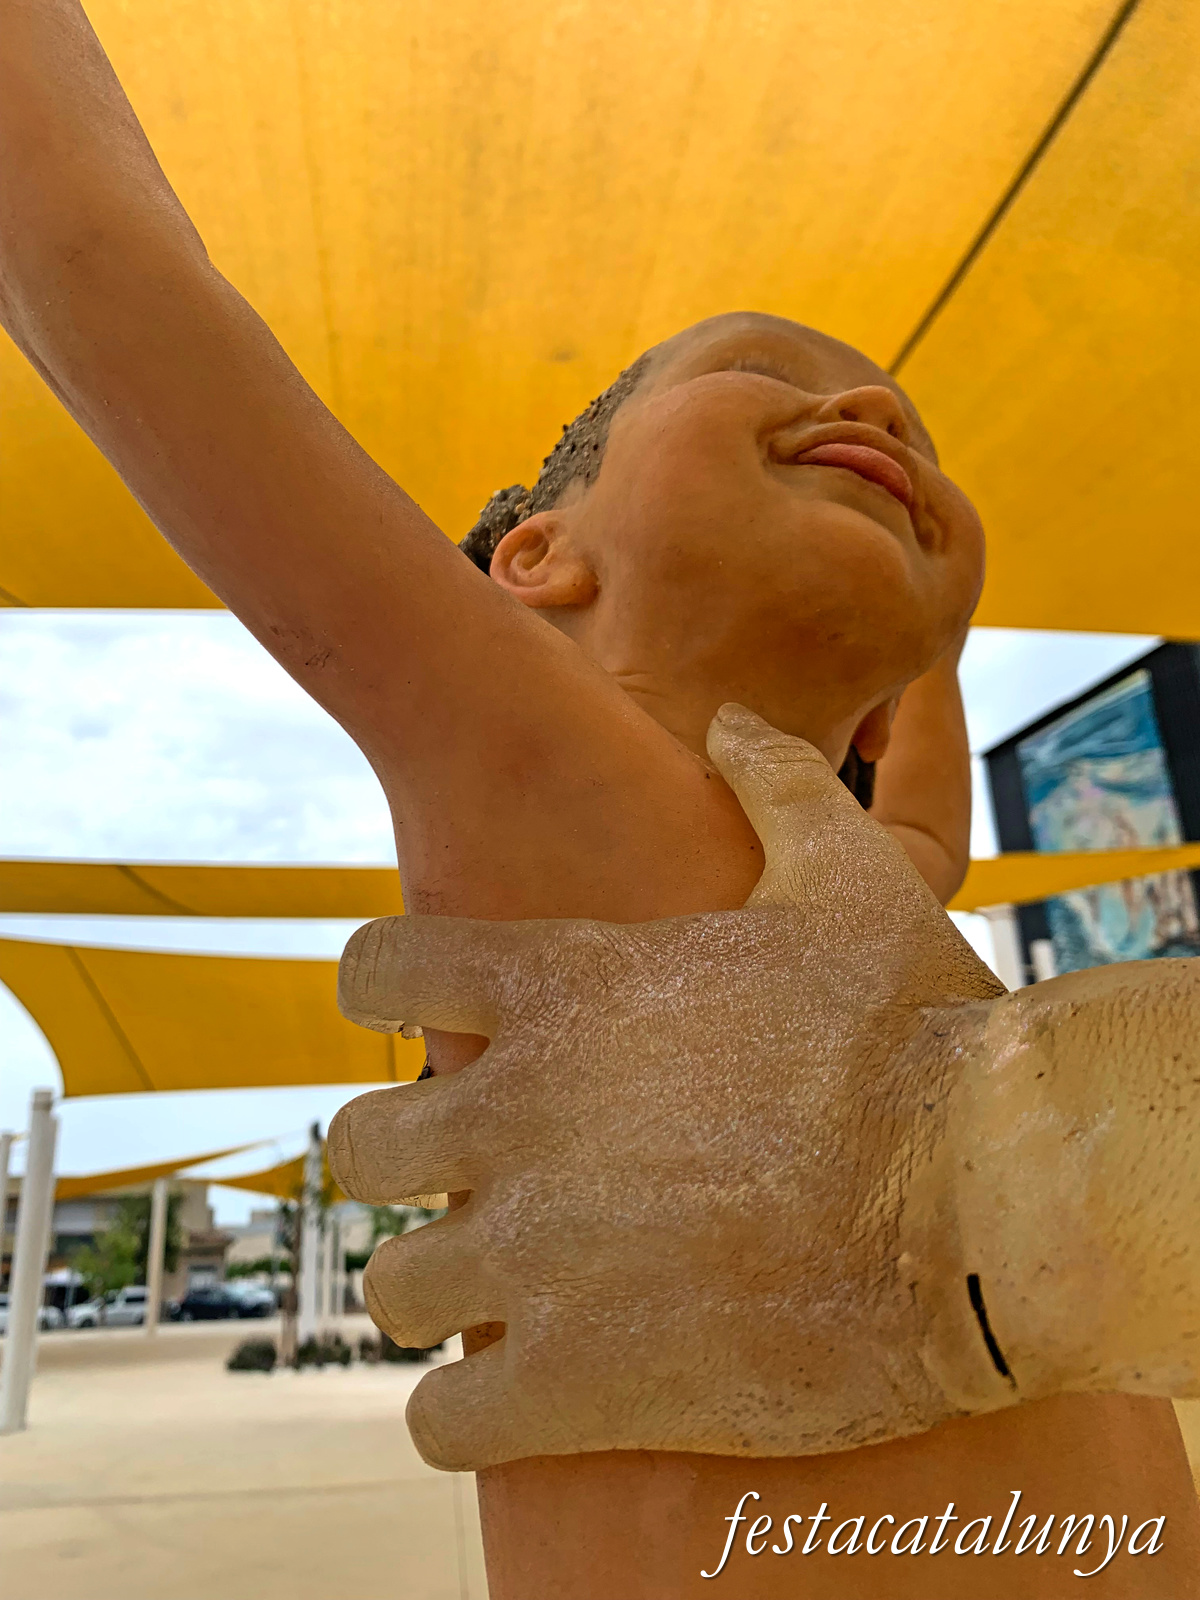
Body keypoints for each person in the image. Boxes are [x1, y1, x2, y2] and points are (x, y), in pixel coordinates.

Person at [1, 5, 1195, 1593]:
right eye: (768, 376)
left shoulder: (864, 895)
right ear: (533, 564)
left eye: (912, 433)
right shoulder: (544, 771)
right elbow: (106, 267)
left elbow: (925, 802)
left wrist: (921, 628)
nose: (885, 418)